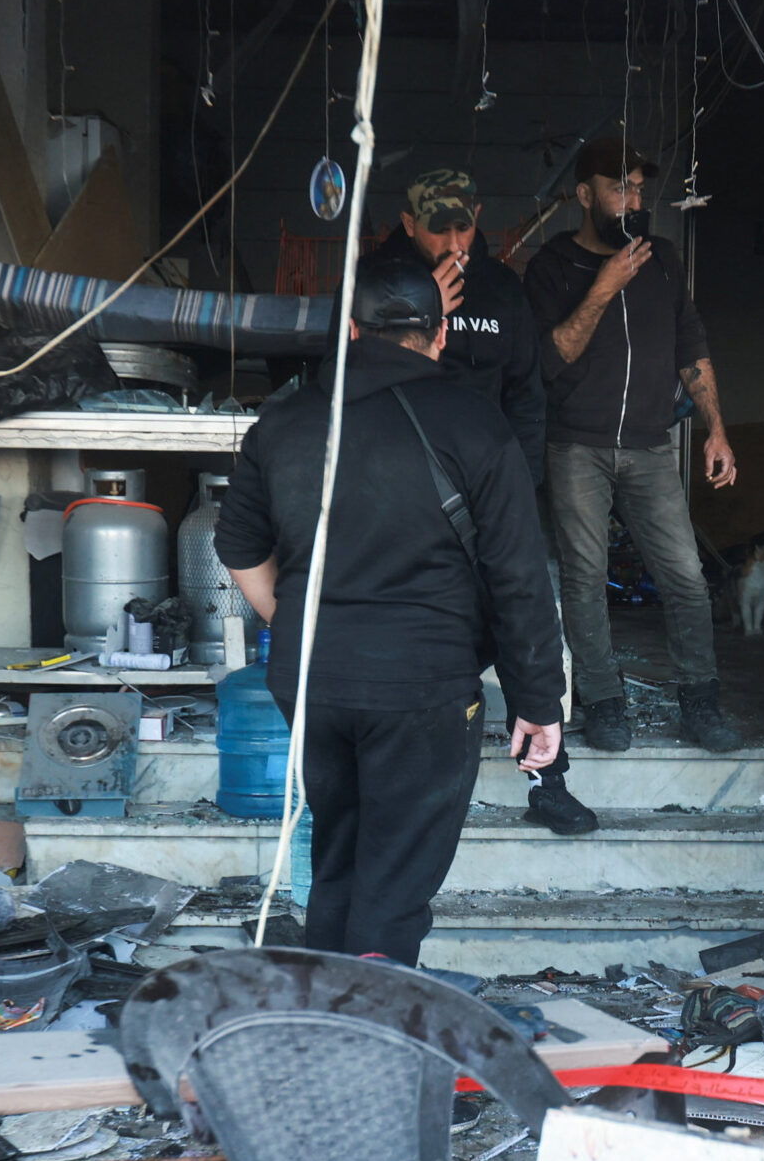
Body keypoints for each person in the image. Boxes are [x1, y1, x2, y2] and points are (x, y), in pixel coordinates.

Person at [211, 254, 564, 966]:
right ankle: (372, 1056)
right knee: (394, 887)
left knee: (338, 855)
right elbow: (520, 577)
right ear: (440, 335)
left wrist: (294, 627)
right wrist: (539, 701)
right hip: (423, 687)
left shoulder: (284, 421)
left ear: (349, 330)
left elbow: (239, 548)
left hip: (312, 678)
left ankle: (329, 1030)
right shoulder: (477, 425)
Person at [362, 167, 597, 836]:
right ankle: (405, 780)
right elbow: (346, 375)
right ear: (409, 225)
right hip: (404, 492)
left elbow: (526, 391)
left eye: (464, 224)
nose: (455, 239)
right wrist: (419, 303)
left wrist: (518, 485)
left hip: (489, 488)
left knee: (528, 614)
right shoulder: (382, 285)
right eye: (439, 226)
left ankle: (547, 778)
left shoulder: (502, 288)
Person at [523, 135, 742, 755]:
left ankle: (700, 702)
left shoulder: (665, 260)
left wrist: (716, 428)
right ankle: (603, 703)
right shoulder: (552, 266)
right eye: (620, 187)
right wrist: (604, 285)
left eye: (641, 188)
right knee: (586, 582)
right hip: (576, 447)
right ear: (584, 194)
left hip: (651, 447)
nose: (634, 198)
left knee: (687, 578)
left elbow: (691, 349)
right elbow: (552, 358)